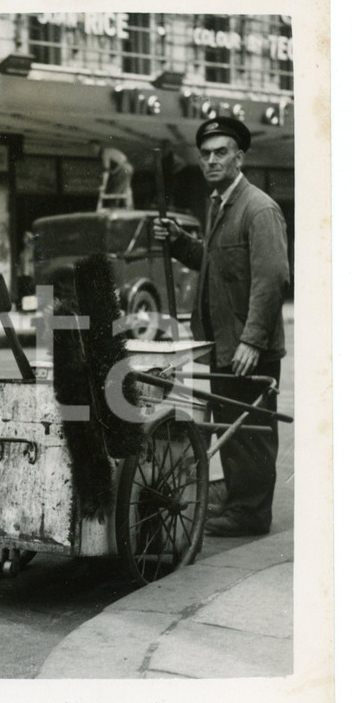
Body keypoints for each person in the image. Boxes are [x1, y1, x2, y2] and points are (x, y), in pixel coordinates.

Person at [154, 116, 290, 537]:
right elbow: (214, 264)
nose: (212, 160)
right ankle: (238, 500)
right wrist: (178, 241)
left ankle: (250, 514)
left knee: (250, 432)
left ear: (239, 157)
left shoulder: (259, 208)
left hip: (247, 347)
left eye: (221, 152)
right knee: (230, 428)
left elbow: (272, 279)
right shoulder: (219, 204)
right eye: (206, 154)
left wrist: (252, 340)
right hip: (222, 344)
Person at [92, 141, 134, 209]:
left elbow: (107, 171)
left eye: (94, 148)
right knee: (123, 189)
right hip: (128, 167)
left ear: (99, 147)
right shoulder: (107, 151)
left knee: (114, 190)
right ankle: (126, 206)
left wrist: (103, 185)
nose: (93, 150)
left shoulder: (104, 154)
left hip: (124, 168)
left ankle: (113, 208)